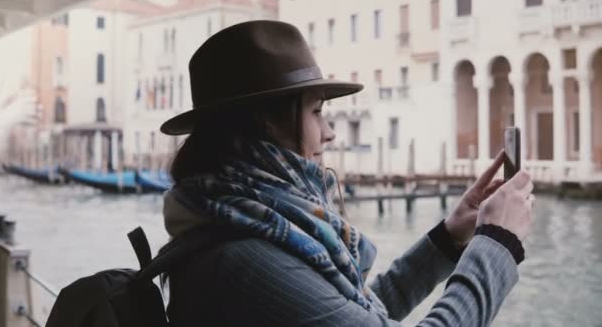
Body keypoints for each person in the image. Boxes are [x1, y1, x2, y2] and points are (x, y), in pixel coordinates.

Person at [159, 20, 535, 326]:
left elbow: (358, 313)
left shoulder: (240, 225)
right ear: (264, 123)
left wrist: (448, 238)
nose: (329, 132)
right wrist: (497, 243)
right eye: (316, 112)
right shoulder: (243, 258)